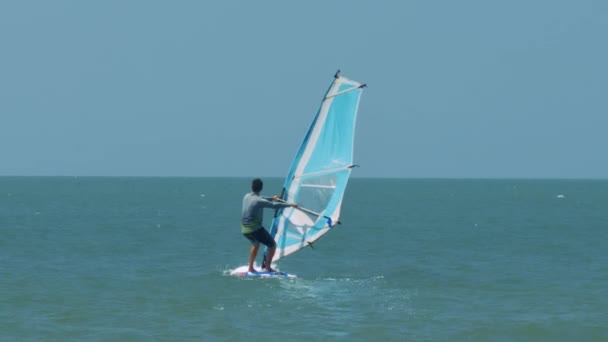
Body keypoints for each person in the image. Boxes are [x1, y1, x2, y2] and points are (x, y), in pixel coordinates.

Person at [241, 178, 297, 273]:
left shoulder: (247, 196)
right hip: (255, 229)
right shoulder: (258, 201)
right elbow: (273, 205)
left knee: (256, 244)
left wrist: (272, 198)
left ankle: (250, 267)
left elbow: (262, 198)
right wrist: (290, 205)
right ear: (261, 188)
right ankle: (267, 268)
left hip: (245, 229)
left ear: (252, 187)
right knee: (272, 245)